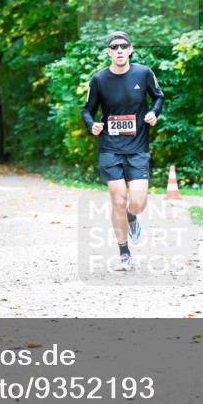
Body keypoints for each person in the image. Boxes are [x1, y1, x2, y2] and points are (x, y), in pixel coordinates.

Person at [80, 31, 163, 271]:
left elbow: (158, 97)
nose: (118, 50)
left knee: (136, 203)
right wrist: (91, 124)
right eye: (114, 47)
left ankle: (132, 217)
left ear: (130, 49)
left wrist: (153, 114)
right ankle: (124, 252)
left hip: (137, 147)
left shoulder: (144, 73)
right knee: (118, 200)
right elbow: (87, 109)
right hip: (110, 146)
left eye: (122, 46)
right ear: (108, 52)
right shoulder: (98, 79)